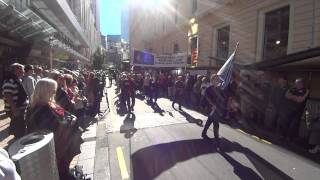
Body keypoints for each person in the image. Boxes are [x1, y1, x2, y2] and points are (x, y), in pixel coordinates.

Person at [26, 78, 83, 180]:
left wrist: (71, 118)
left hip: (61, 146)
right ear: (44, 91)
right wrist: (70, 121)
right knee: (62, 172)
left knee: (63, 169)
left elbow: (64, 114)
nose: (54, 92)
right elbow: (52, 128)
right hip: (56, 148)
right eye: (52, 90)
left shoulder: (47, 104)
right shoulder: (41, 109)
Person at [2, 63, 28, 139]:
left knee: (19, 126)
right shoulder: (10, 80)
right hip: (15, 109)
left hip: (19, 108)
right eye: (22, 69)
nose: (23, 71)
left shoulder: (17, 79)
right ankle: (18, 141)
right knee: (19, 129)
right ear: (16, 70)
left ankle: (18, 138)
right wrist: (14, 108)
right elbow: (7, 95)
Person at [201, 74, 227, 143]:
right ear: (212, 81)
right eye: (216, 79)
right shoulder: (208, 89)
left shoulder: (220, 89)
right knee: (216, 123)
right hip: (211, 109)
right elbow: (207, 98)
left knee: (209, 121)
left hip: (217, 109)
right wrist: (212, 105)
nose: (218, 81)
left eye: (218, 79)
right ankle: (217, 139)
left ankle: (204, 133)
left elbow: (222, 98)